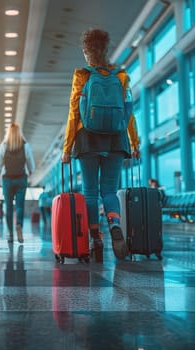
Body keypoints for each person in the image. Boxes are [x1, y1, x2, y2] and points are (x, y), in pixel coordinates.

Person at [61, 28, 140, 261]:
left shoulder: (82, 76)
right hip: (116, 139)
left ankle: (95, 237)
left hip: (87, 139)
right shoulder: (121, 76)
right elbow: (130, 113)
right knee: (109, 190)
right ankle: (115, 224)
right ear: (106, 50)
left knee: (90, 193)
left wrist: (67, 148)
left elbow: (73, 114)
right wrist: (134, 142)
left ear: (87, 52)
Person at [0, 123, 35, 244]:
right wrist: (31, 171)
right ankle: (19, 226)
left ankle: (10, 233)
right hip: (21, 178)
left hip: (7, 180)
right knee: (20, 205)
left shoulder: (4, 145)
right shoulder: (25, 145)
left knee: (9, 207)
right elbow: (30, 160)